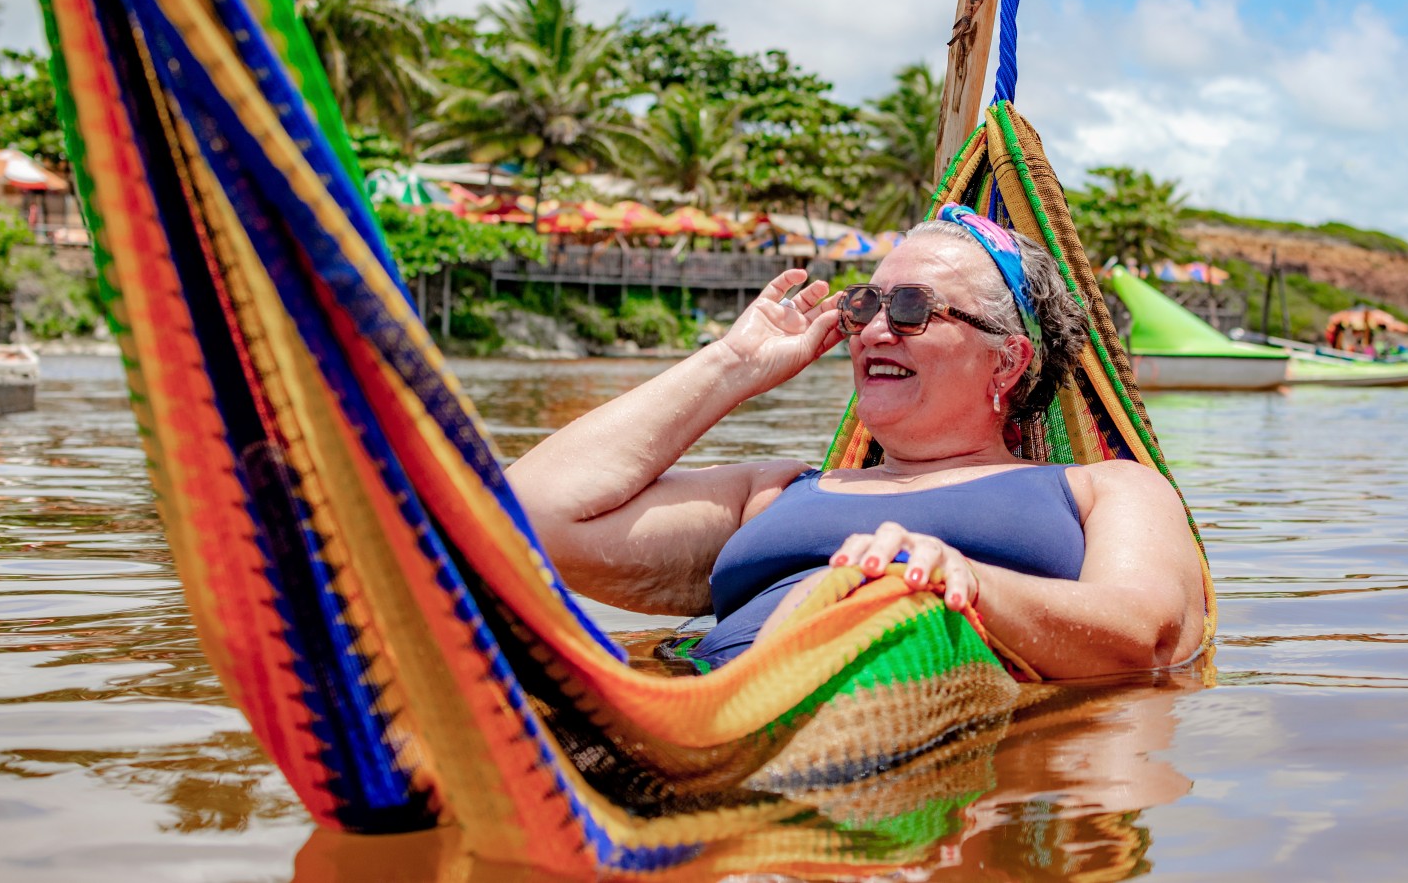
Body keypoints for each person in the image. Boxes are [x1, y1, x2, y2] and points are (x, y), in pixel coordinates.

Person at [506, 206, 1208, 680]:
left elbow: (1150, 632)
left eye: (911, 310)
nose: (872, 331)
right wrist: (731, 367)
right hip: (705, 710)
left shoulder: (1103, 488)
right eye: (864, 304)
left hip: (902, 731)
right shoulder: (774, 491)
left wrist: (957, 582)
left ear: (1007, 360)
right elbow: (524, 519)